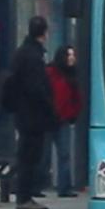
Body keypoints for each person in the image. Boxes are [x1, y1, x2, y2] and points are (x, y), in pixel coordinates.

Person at [11, 16, 57, 209]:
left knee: (26, 154)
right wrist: (49, 107)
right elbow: (36, 88)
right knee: (30, 155)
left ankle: (25, 194)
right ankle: (24, 196)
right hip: (33, 115)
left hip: (23, 113)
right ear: (44, 33)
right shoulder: (34, 56)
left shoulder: (22, 53)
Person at [41, 46, 82, 198]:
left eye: (73, 54)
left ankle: (64, 187)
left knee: (64, 154)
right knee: (45, 154)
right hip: (50, 118)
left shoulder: (70, 74)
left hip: (62, 118)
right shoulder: (51, 72)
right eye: (69, 55)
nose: (72, 58)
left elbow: (75, 97)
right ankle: (39, 184)